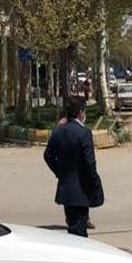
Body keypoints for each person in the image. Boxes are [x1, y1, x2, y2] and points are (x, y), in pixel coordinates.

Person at [43, 97, 105, 237]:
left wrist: (59, 172)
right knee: (79, 234)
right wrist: (95, 181)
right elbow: (89, 162)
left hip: (66, 190)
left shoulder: (58, 132)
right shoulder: (84, 133)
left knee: (72, 228)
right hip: (81, 191)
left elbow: (48, 156)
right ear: (81, 113)